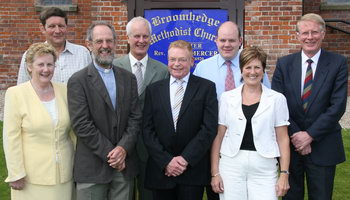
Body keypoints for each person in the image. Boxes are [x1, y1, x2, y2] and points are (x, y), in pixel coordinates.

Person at [272, 13, 348, 200]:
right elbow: (277, 103)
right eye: (305, 32)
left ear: (323, 34)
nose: (310, 37)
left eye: (315, 32)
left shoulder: (338, 63)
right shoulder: (284, 64)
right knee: (291, 196)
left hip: (323, 145)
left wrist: (310, 135)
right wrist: (297, 136)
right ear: (297, 35)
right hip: (290, 146)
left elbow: (337, 106)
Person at [67, 22, 142, 200]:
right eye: (99, 41)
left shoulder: (128, 78)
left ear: (116, 43)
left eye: (109, 41)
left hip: (123, 167)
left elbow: (135, 118)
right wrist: (113, 155)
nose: (105, 46)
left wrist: (123, 148)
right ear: (89, 44)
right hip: (93, 167)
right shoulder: (78, 80)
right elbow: (81, 124)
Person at [211, 46, 290, 200]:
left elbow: (283, 138)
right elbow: (218, 136)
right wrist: (215, 172)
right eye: (248, 67)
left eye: (257, 67)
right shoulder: (227, 98)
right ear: (241, 70)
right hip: (231, 165)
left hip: (265, 167)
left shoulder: (277, 99)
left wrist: (284, 174)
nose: (252, 72)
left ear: (263, 70)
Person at [142, 40, 218, 200]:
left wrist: (185, 160)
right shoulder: (153, 90)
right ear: (167, 61)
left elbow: (209, 128)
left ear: (192, 61)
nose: (176, 64)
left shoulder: (206, 88)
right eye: (172, 59)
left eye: (182, 59)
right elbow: (147, 130)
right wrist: (166, 161)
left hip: (192, 171)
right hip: (161, 170)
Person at [3, 42, 75, 200]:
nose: (46, 69)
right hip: (30, 178)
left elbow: (73, 132)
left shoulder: (65, 91)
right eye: (40, 64)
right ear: (29, 66)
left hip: (64, 175)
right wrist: (16, 173)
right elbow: (11, 137)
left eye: (50, 64)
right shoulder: (16, 94)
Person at [112, 16, 168, 200]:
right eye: (136, 36)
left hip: (150, 144)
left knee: (148, 194)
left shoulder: (162, 70)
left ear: (150, 38)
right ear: (128, 38)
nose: (141, 41)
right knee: (122, 193)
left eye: (145, 36)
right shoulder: (113, 67)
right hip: (121, 142)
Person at [193, 21, 271, 99]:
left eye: (231, 40)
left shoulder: (253, 66)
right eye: (223, 40)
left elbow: (267, 96)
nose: (227, 45)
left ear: (240, 41)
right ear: (216, 40)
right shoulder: (202, 68)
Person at [17, 7, 91, 84]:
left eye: (61, 26)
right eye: (52, 26)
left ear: (66, 27)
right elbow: (21, 88)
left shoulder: (83, 53)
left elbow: (90, 86)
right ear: (42, 28)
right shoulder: (30, 55)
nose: (57, 31)